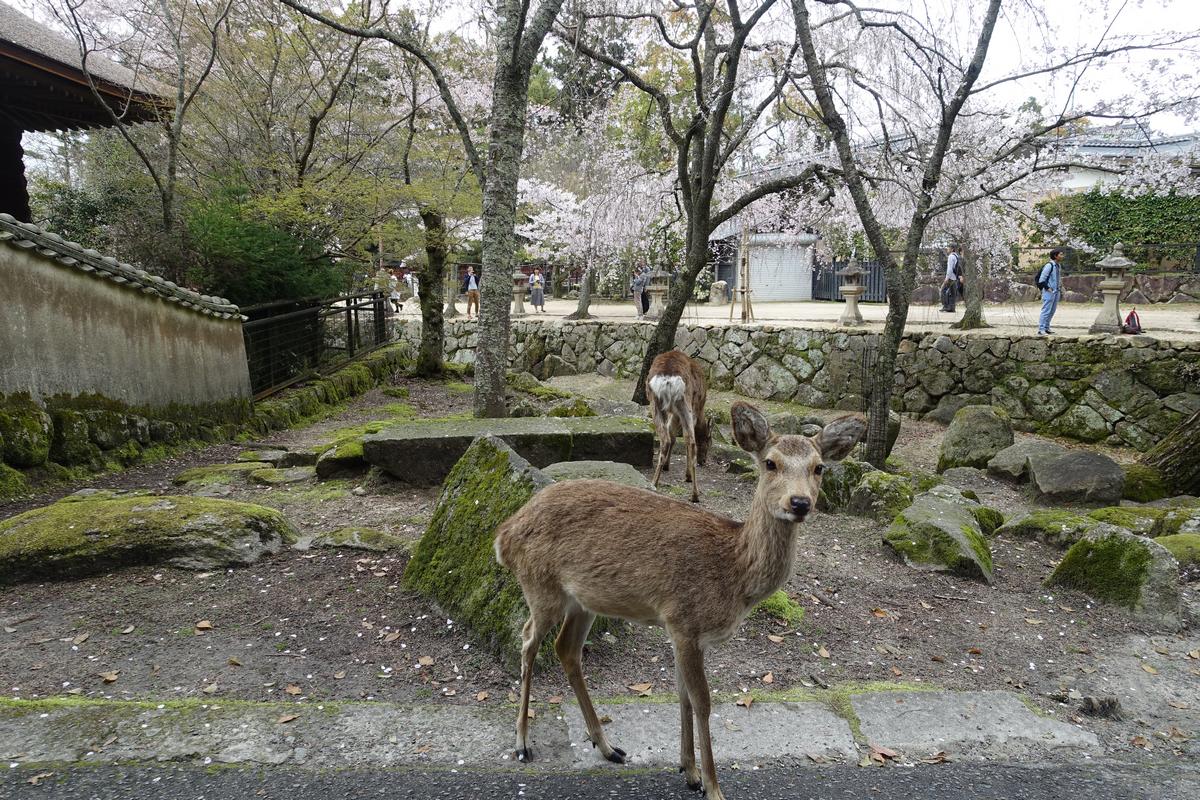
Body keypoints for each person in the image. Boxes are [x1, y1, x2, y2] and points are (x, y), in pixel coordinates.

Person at [1036, 248, 1065, 336]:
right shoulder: (1049, 265)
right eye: (1060, 254)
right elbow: (1042, 279)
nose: (1062, 256)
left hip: (1057, 291)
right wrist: (1048, 288)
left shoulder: (1058, 266)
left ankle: (1047, 327)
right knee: (1046, 310)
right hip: (1049, 291)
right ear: (1055, 256)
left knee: (1052, 310)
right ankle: (1041, 329)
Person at [940, 245, 962, 312]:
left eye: (948, 248)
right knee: (953, 293)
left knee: (943, 290)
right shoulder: (957, 256)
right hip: (956, 277)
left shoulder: (951, 256)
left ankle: (946, 306)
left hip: (951, 277)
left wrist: (947, 278)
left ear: (952, 249)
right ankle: (952, 308)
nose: (947, 249)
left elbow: (950, 269)